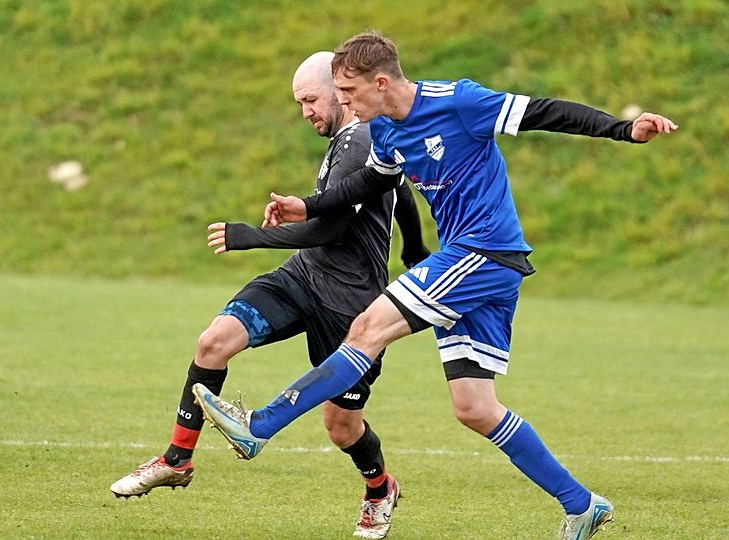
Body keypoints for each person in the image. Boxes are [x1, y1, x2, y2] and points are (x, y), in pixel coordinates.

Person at [193, 31, 678, 540]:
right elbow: (372, 183)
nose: (343, 102)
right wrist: (308, 206)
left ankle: (259, 426)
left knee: (366, 328)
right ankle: (582, 505)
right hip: (478, 264)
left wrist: (625, 131)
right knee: (474, 408)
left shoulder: (461, 102)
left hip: (483, 251)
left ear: (381, 82)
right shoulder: (384, 132)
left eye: (349, 92)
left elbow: (545, 111)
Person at [110, 51, 430, 539]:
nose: (305, 111)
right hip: (301, 279)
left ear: (337, 90)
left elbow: (330, 227)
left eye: (310, 99)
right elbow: (398, 188)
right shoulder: (351, 138)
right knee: (214, 342)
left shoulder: (361, 136)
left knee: (341, 427)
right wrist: (413, 244)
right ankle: (177, 458)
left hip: (349, 305)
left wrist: (249, 236)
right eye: (299, 102)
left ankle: (380, 488)